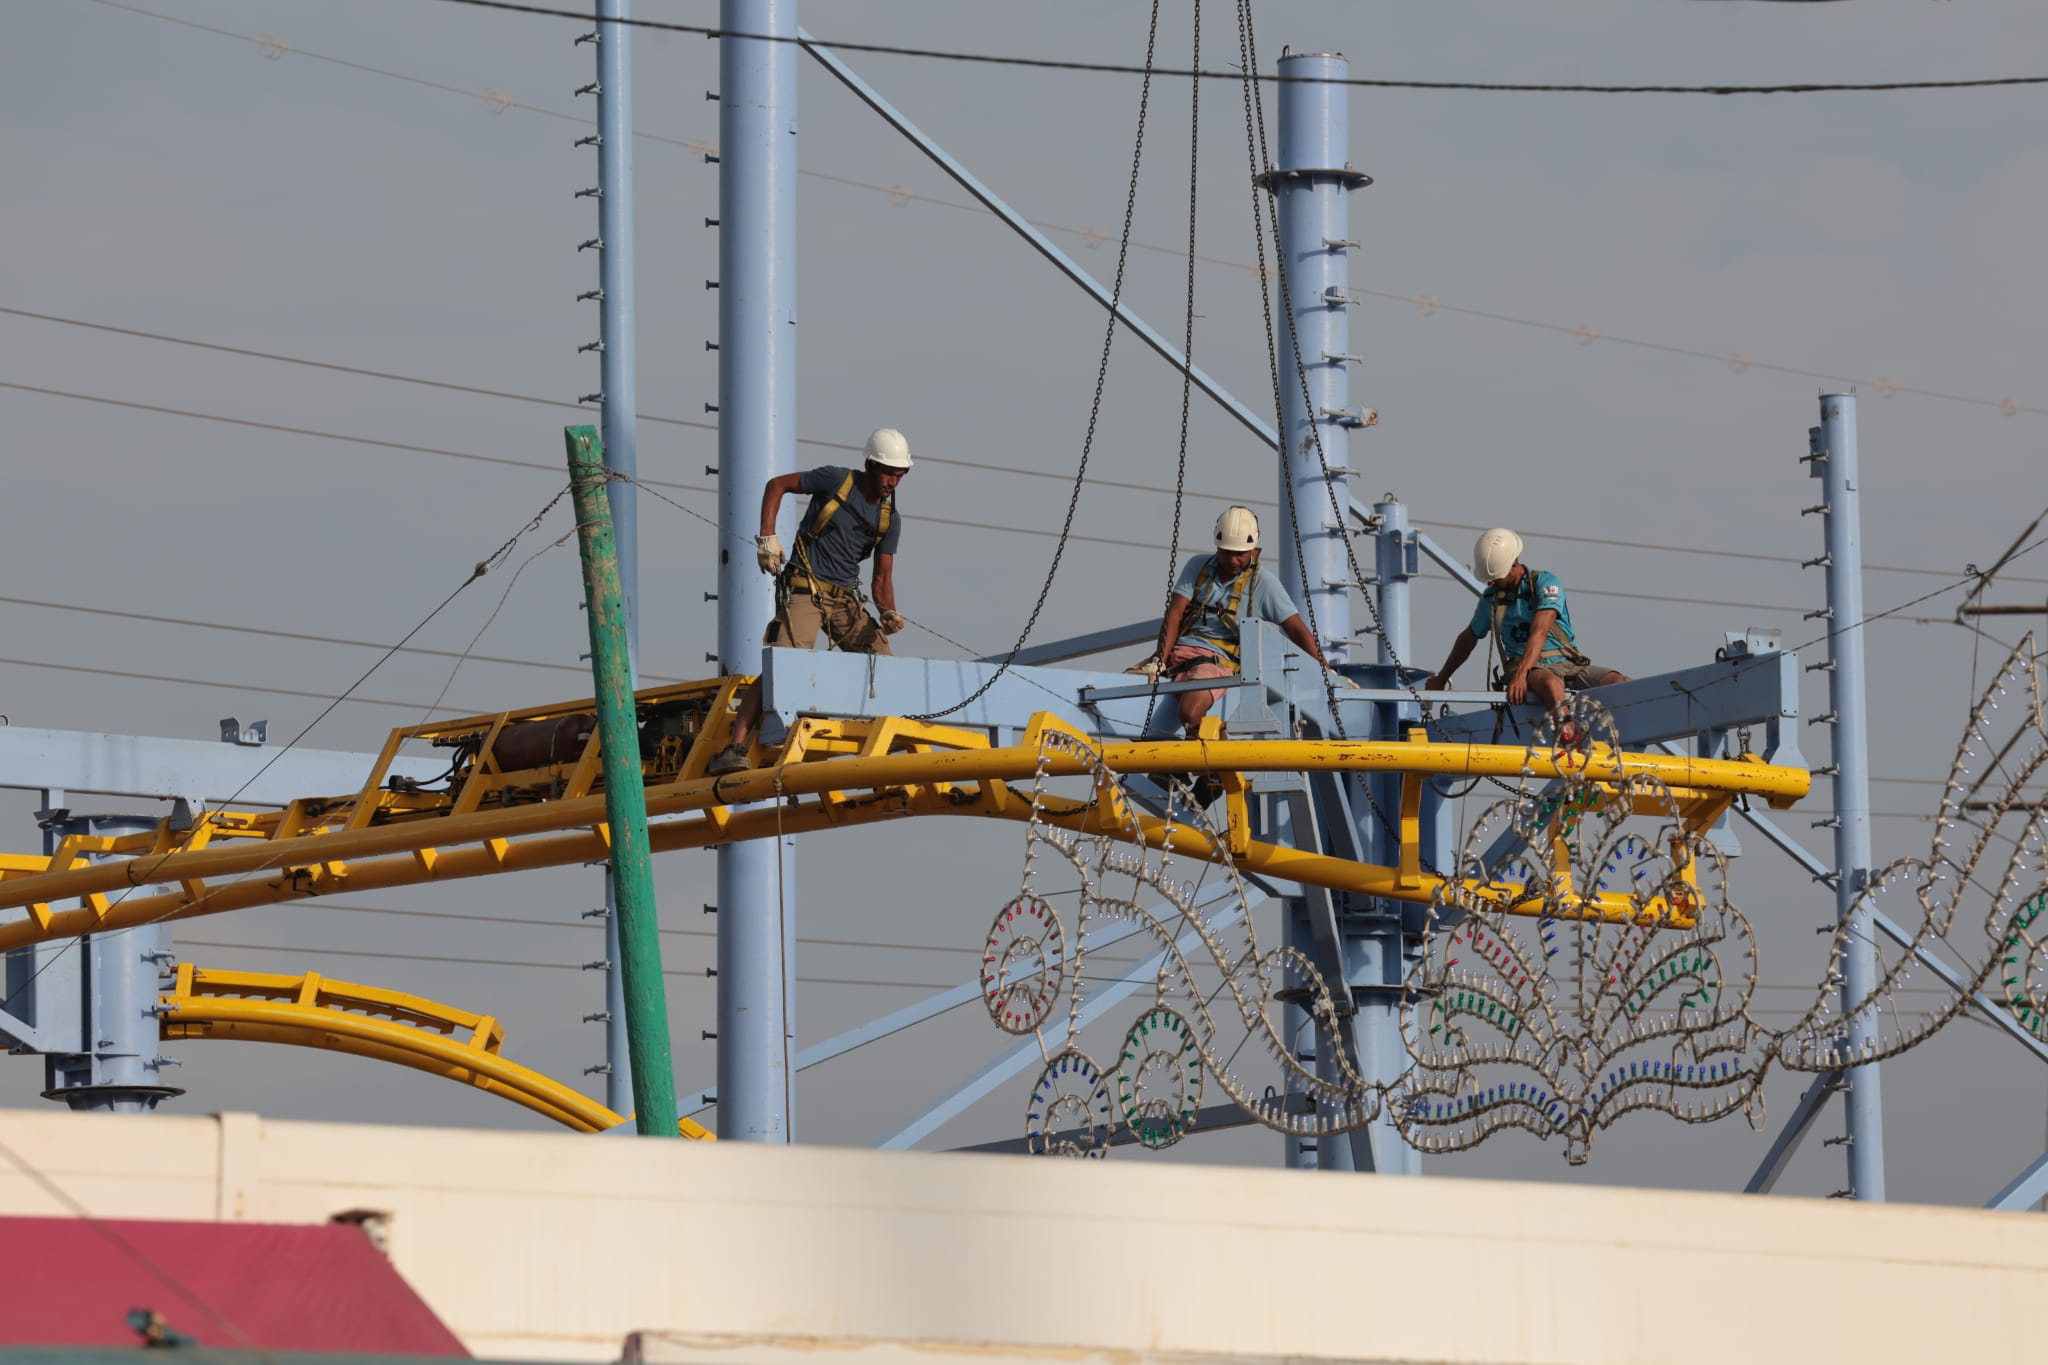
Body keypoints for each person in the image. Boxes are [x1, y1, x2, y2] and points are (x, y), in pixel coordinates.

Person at [706, 428, 912, 776]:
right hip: (806, 590)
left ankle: (891, 745)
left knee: (884, 665)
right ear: (870, 466)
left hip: (846, 601)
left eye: (899, 474)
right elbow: (777, 485)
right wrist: (767, 537)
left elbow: (882, 579)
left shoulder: (889, 520)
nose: (893, 481)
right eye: (888, 472)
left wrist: (888, 611)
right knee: (783, 665)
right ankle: (734, 745)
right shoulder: (837, 481)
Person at [1129, 505, 1350, 740]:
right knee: (1124, 690)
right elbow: (1174, 614)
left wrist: (1326, 672)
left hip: (1215, 663)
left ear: (1252, 549)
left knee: (1189, 711)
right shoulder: (1199, 567)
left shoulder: (1263, 585)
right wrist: (1158, 661)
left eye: (1239, 554)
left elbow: (1296, 630)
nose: (1232, 560)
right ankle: (1169, 767)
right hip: (1178, 654)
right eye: (1226, 552)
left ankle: (1205, 767)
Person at [1423, 527, 1626, 716]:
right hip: (1531, 671)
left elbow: (1540, 630)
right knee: (1551, 684)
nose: (1490, 583)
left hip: (1566, 665)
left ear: (1513, 564)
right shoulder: (1491, 600)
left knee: (1621, 683)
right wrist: (1441, 679)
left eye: (1496, 577)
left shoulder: (1545, 584)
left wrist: (1521, 675)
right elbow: (1469, 638)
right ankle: (1567, 740)